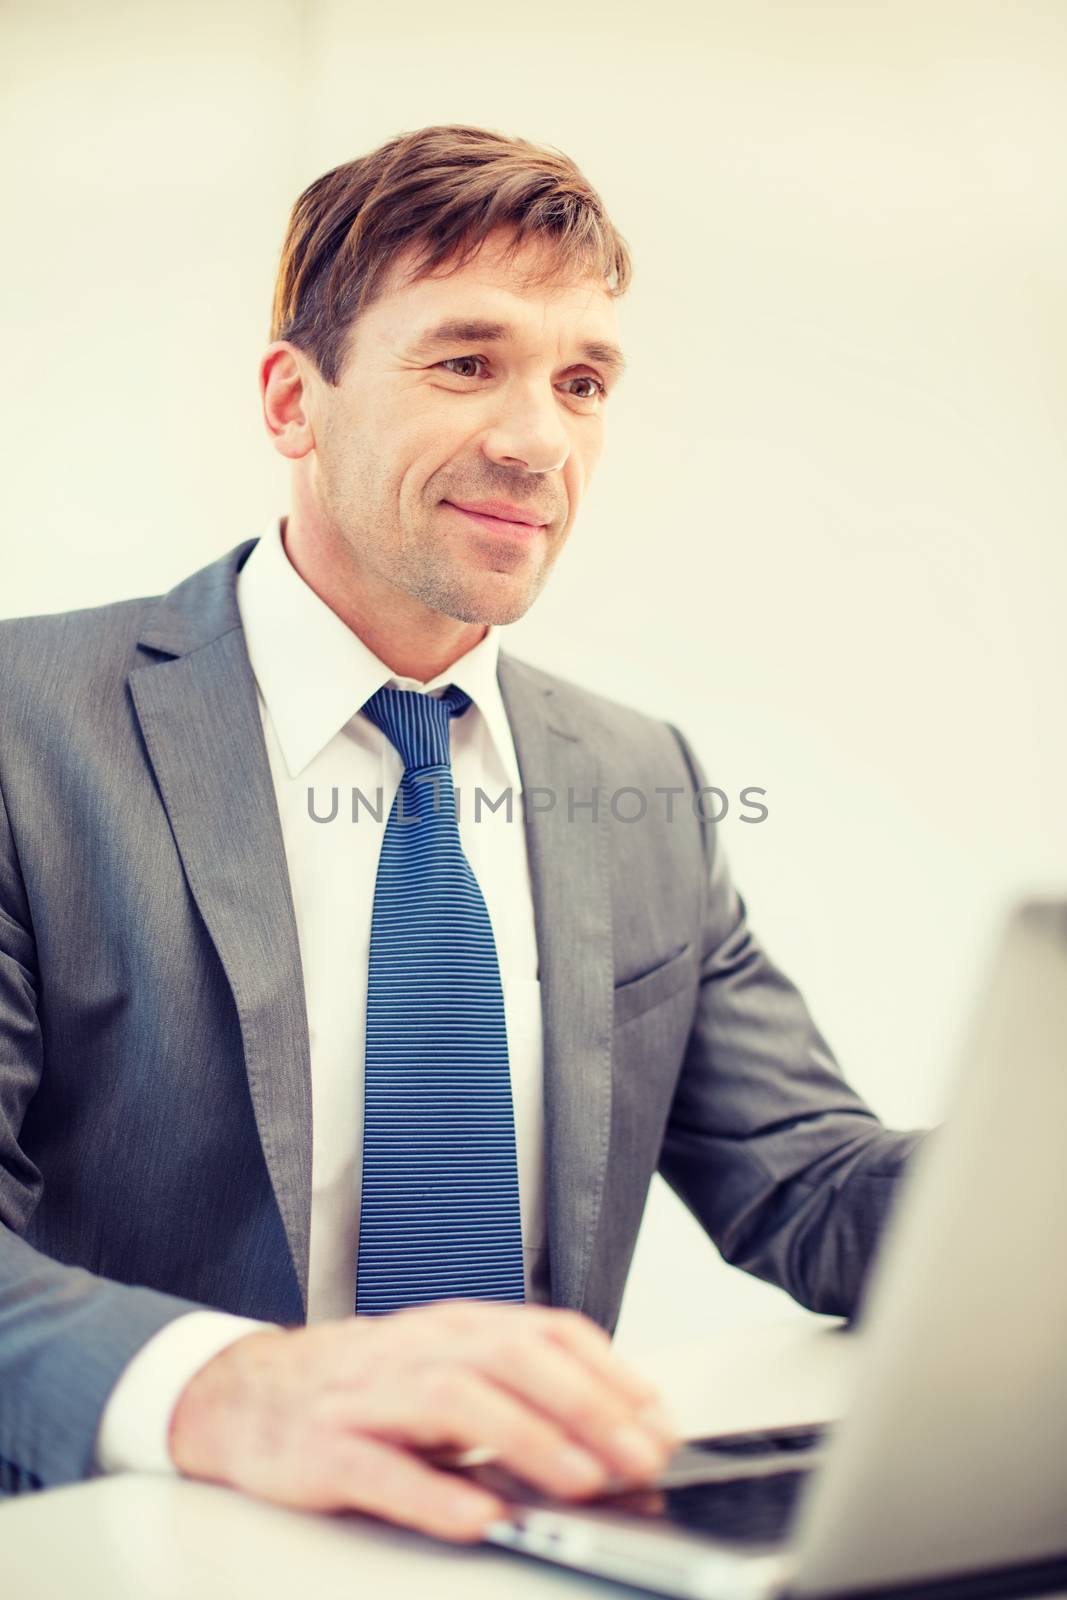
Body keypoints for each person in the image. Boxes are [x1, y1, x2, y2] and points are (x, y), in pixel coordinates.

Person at [0, 123, 931, 1540]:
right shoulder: (27, 729)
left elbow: (806, 1184)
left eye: (582, 381)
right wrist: (229, 1388)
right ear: (291, 401)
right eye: (465, 362)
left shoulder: (640, 778)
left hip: (539, 1553)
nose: (537, 440)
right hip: (134, 1545)